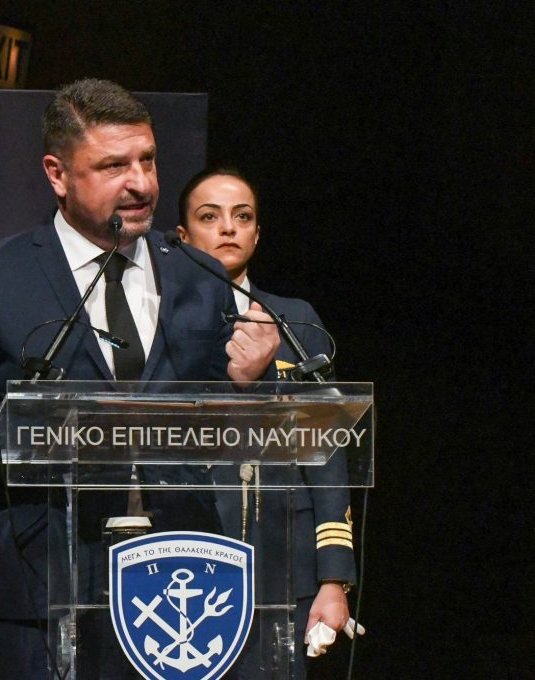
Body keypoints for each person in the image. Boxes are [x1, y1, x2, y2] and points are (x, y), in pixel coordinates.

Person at [0, 79, 280, 679]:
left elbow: (229, 431)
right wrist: (47, 432)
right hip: (48, 579)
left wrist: (247, 385)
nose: (141, 183)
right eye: (114, 166)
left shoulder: (198, 274)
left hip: (184, 575)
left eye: (148, 160)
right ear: (57, 174)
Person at [175, 167, 357, 678]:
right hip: (186, 551)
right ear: (182, 238)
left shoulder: (296, 320)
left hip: (283, 559)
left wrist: (334, 578)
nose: (228, 228)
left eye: (242, 217)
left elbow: (326, 450)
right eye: (209, 217)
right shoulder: (156, 319)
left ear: (257, 234)